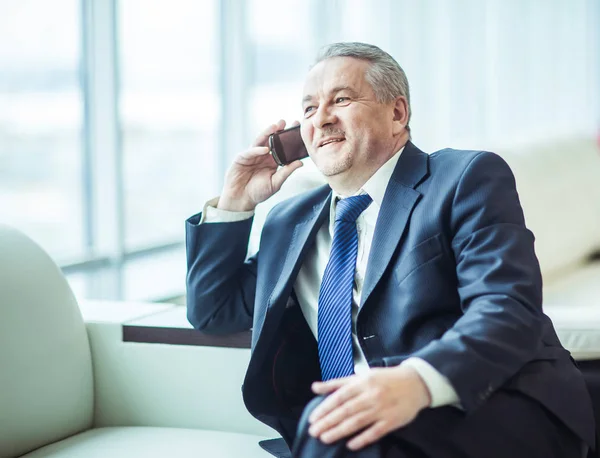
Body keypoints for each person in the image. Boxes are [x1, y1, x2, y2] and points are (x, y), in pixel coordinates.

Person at [185, 42, 594, 458]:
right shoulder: (289, 221)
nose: (321, 118)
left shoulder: (465, 179)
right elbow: (213, 310)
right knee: (336, 427)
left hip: (484, 403)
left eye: (340, 100)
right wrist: (235, 202)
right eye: (308, 110)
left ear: (397, 113)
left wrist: (416, 381)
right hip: (351, 423)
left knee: (336, 430)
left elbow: (507, 307)